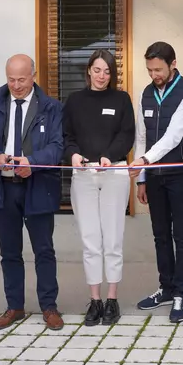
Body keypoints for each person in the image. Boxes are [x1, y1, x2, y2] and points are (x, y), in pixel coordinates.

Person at [0, 54, 64, 331]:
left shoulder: (51, 107)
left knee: (44, 250)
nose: (16, 85)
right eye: (11, 79)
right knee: (9, 251)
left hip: (37, 187)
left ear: (33, 76)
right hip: (2, 188)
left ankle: (49, 307)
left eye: (22, 79)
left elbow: (58, 147)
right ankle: (15, 307)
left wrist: (32, 163)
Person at [63, 49, 135, 327]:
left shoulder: (121, 99)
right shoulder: (75, 101)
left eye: (107, 71)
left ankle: (112, 299)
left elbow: (127, 134)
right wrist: (74, 156)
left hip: (114, 173)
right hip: (83, 176)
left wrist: (110, 155)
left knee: (113, 240)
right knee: (91, 241)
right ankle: (95, 300)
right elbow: (66, 136)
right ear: (89, 71)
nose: (102, 76)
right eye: (97, 70)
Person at [129, 41, 183, 323]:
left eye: (158, 69)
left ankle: (182, 293)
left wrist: (144, 161)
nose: (154, 75)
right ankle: (166, 288)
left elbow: (173, 135)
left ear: (173, 64)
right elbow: (142, 136)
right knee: (160, 234)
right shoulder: (146, 93)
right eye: (149, 70)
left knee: (181, 234)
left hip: (180, 173)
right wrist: (142, 178)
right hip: (154, 177)